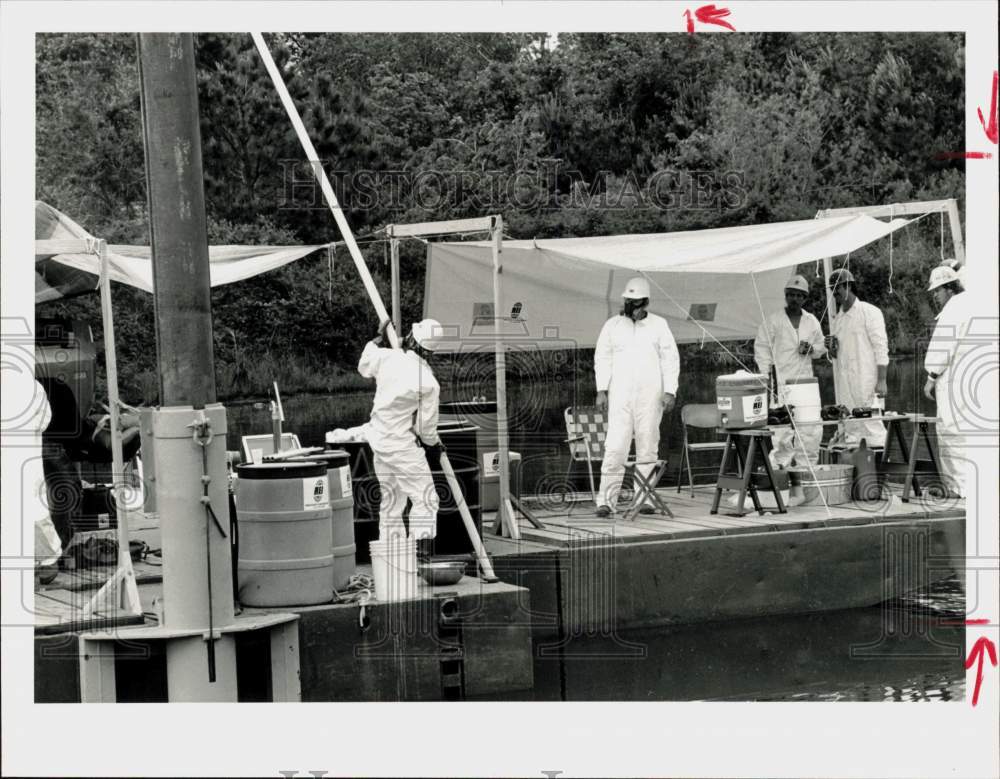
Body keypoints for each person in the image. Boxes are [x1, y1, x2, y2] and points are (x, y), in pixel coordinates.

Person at [594, 276, 680, 517]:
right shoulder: (612, 325)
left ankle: (645, 499)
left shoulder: (659, 325)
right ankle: (605, 501)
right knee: (615, 447)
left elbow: (670, 359)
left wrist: (670, 390)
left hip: (650, 396)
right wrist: (601, 389)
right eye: (628, 301)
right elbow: (602, 357)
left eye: (636, 301)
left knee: (648, 446)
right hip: (620, 394)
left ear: (646, 301)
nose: (631, 306)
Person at [357, 318, 443, 541]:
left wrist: (377, 339)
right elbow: (425, 429)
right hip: (401, 447)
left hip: (379, 440)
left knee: (392, 504)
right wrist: (434, 446)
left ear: (412, 340)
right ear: (431, 352)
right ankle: (420, 558)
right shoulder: (429, 382)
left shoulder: (388, 357)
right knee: (426, 500)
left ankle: (392, 560)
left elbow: (365, 364)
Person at [754, 274, 827, 466]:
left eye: (799, 295)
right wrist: (767, 375)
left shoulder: (811, 321)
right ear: (786, 296)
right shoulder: (773, 321)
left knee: (810, 429)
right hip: (781, 384)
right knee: (782, 433)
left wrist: (812, 350)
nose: (794, 299)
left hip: (805, 384)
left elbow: (821, 347)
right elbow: (761, 348)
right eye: (791, 295)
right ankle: (779, 472)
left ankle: (807, 470)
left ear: (805, 298)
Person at [824, 268, 889, 448]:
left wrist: (882, 380)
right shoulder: (838, 319)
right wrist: (831, 349)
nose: (834, 292)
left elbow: (881, 347)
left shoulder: (870, 311)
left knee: (872, 424)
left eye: (838, 288)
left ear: (849, 286)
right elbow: (836, 355)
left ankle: (879, 466)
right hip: (845, 383)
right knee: (850, 425)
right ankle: (856, 467)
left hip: (867, 379)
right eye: (832, 289)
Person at [923, 264, 969, 498]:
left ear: (949, 289)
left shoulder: (953, 310)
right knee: (968, 433)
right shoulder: (971, 306)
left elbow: (943, 347)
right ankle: (968, 486)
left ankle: (956, 487)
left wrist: (931, 376)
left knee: (950, 432)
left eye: (937, 291)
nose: (935, 295)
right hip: (968, 380)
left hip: (952, 381)